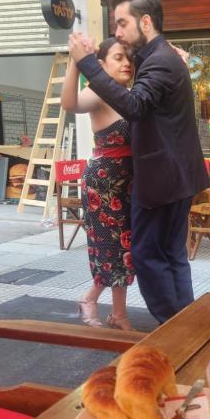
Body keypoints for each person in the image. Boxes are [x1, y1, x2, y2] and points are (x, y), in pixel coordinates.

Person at [68, 0, 209, 324]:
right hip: (175, 179)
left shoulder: (160, 59)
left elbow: (134, 106)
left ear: (145, 22)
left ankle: (171, 326)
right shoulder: (160, 58)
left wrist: (87, 62)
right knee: (172, 255)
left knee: (148, 255)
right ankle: (182, 323)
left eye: (122, 23)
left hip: (161, 181)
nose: (117, 31)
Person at [61, 38, 136, 330]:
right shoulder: (99, 93)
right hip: (104, 184)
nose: (126, 62)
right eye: (118, 57)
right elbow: (70, 104)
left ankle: (112, 310)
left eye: (128, 57)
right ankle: (104, 306)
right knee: (112, 249)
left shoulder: (128, 95)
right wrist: (75, 62)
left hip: (125, 184)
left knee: (124, 249)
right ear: (101, 64)